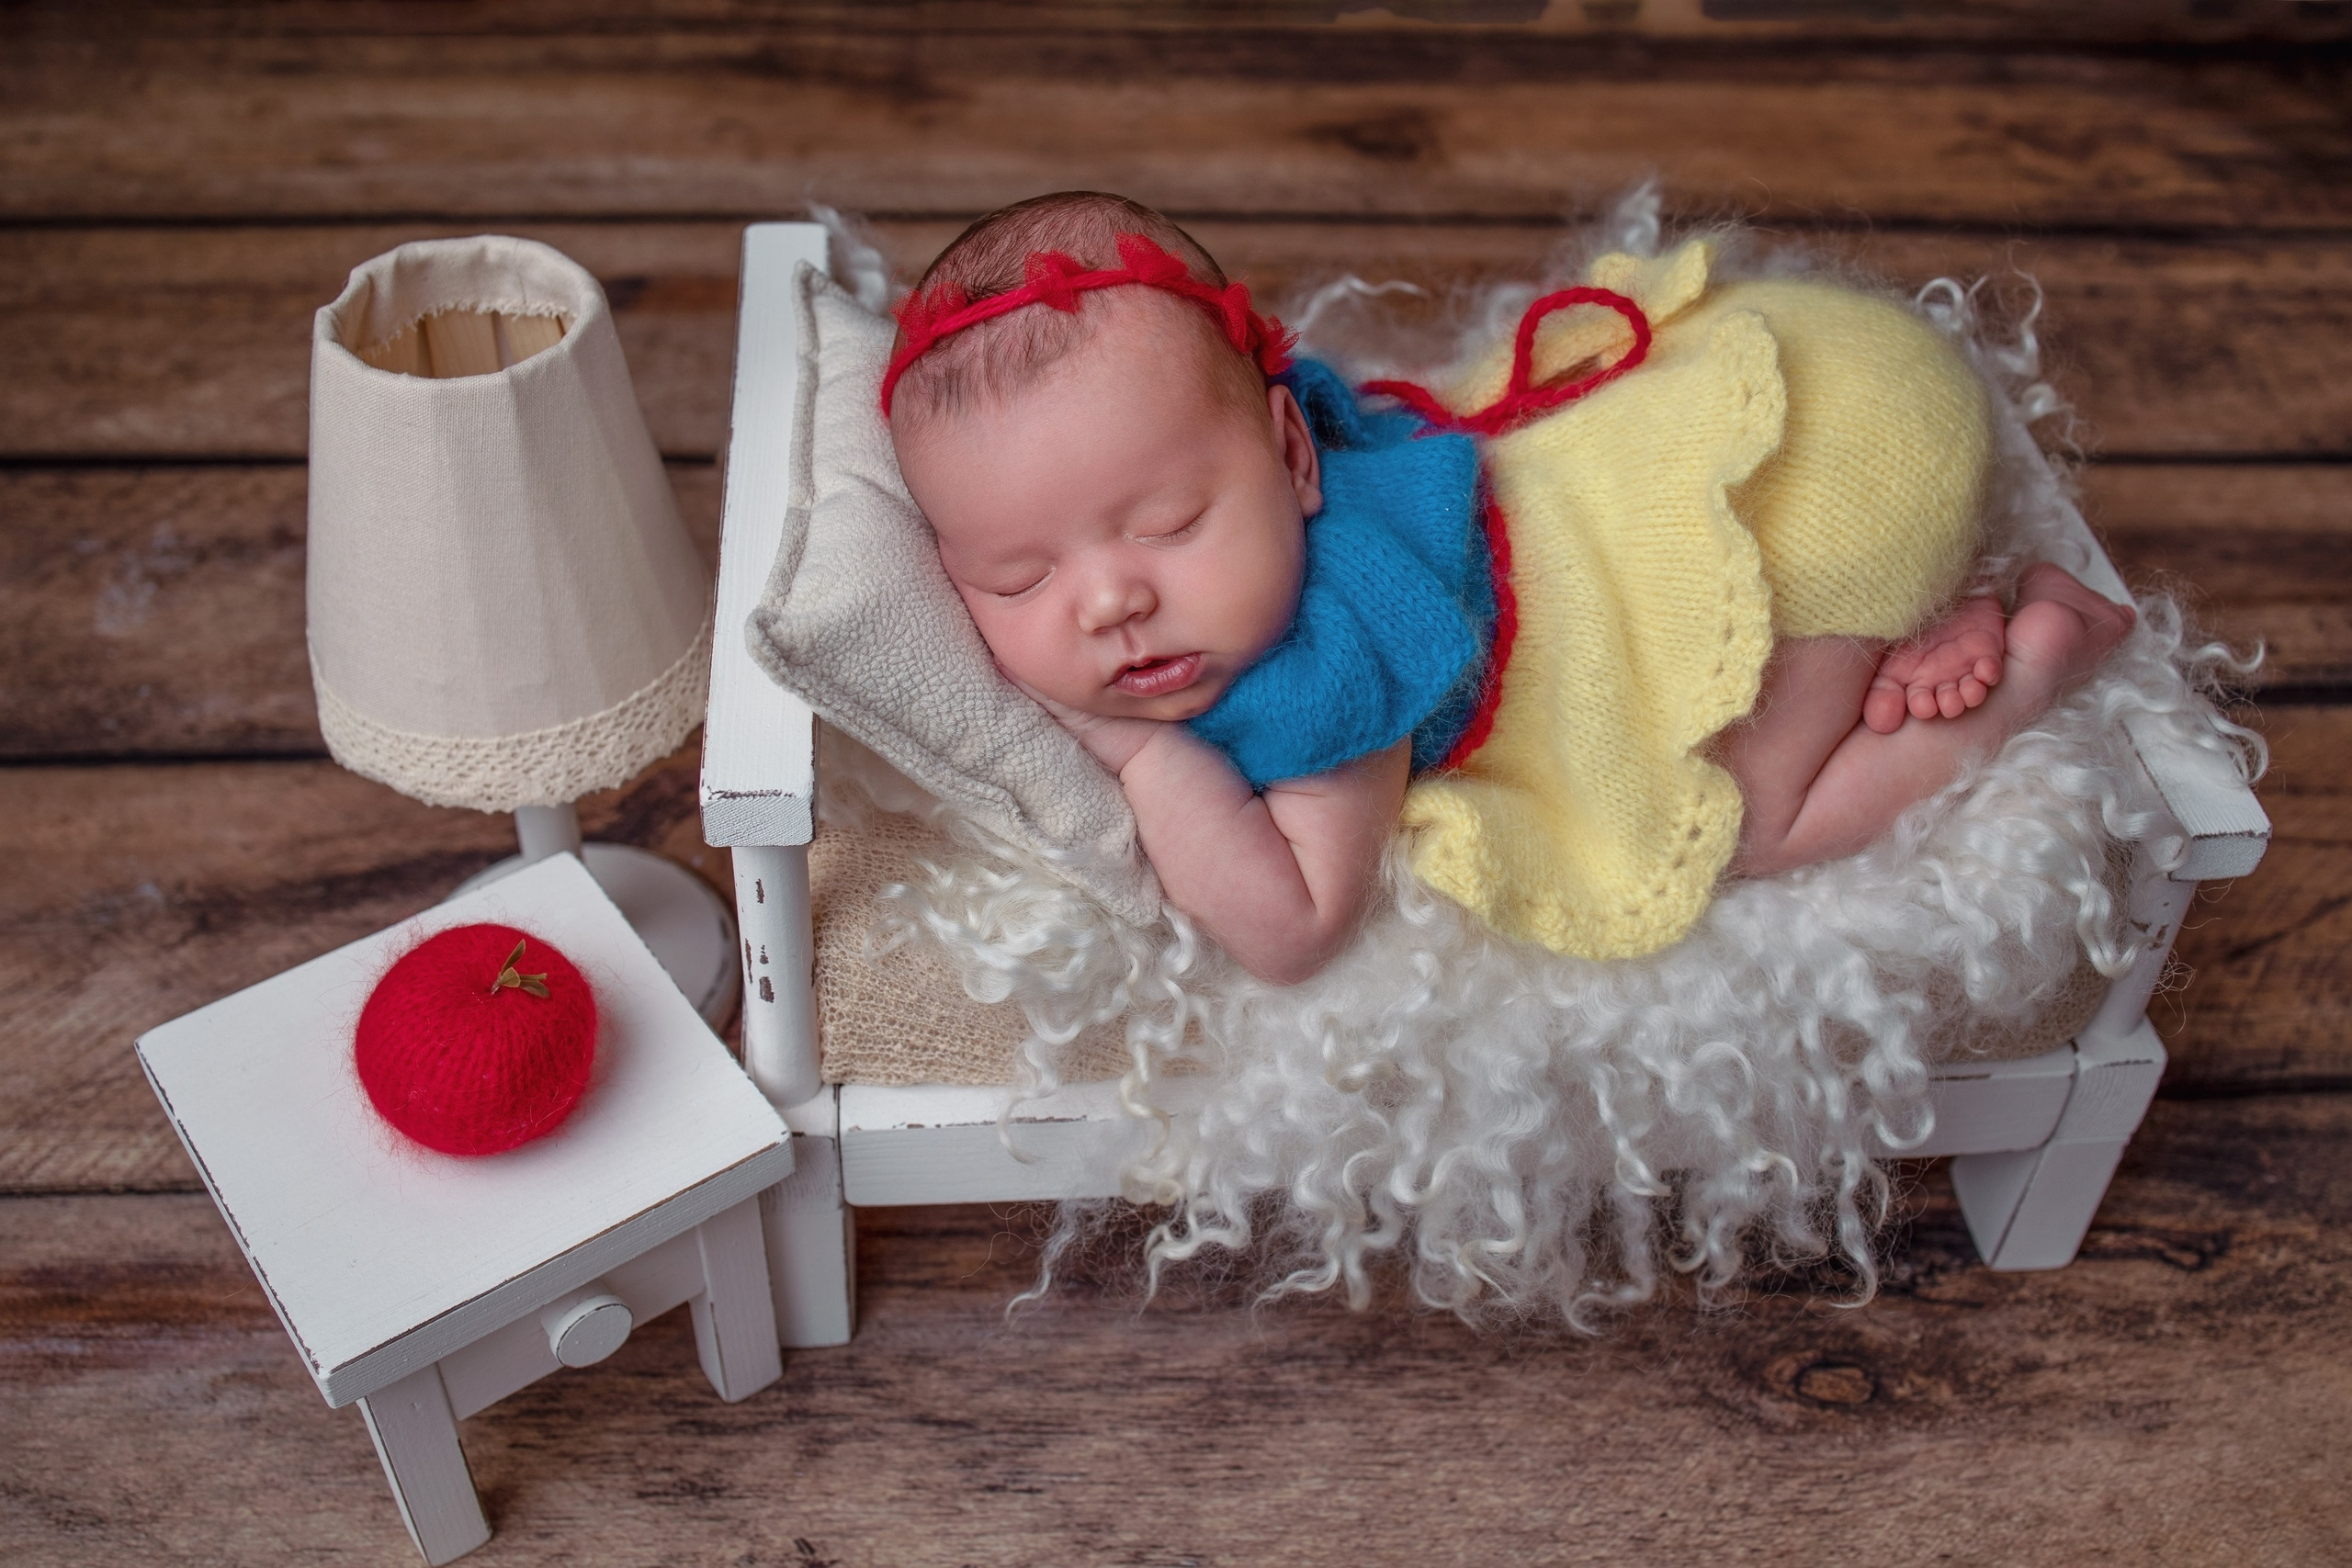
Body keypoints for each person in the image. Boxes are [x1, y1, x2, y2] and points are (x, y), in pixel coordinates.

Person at [887, 192, 2134, 985]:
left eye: (1166, 527)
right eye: (1019, 577)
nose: (1109, 602)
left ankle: (2033, 656)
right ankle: (1925, 613)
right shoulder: (1241, 478)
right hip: (1792, 364)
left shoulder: (1338, 654)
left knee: (1749, 819)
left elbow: (1293, 926)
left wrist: (1140, 751)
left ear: (1294, 456)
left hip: (1824, 467)